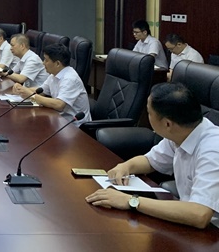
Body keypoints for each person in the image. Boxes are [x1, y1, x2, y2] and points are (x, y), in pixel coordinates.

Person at [86, 83, 219, 229]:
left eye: (149, 113)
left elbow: (199, 215)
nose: (148, 117)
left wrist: (131, 201)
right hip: (188, 220)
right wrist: (125, 166)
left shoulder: (212, 151)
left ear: (167, 124)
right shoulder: (181, 133)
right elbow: (150, 161)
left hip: (211, 229)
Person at [15, 43, 91, 125]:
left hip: (74, 125)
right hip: (59, 119)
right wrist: (22, 90)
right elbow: (41, 91)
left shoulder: (70, 79)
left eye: (46, 60)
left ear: (57, 64)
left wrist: (31, 96)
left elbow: (59, 104)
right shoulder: (54, 75)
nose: (43, 63)